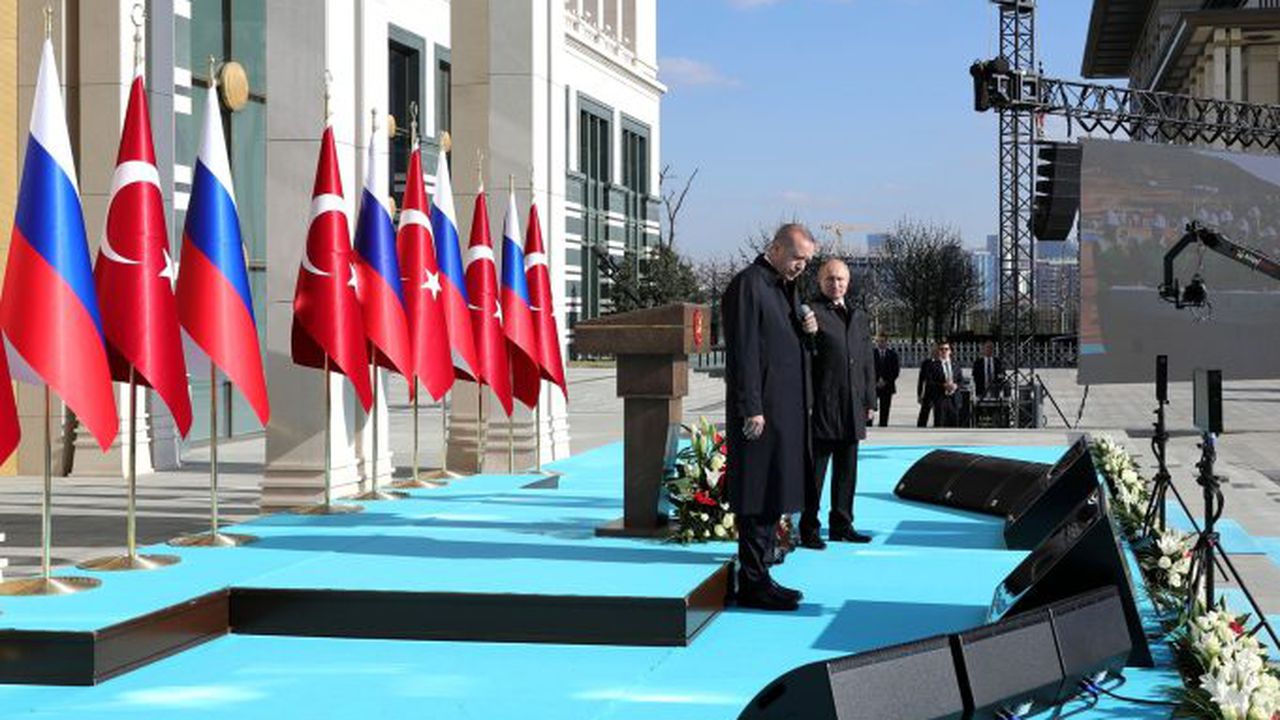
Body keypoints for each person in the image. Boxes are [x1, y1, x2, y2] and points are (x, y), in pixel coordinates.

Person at [722, 223, 816, 612]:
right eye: (797, 258)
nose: (801, 267)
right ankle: (753, 581)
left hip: (785, 410)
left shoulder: (782, 287)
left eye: (807, 261)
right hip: (762, 412)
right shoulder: (749, 285)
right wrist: (752, 407)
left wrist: (808, 331)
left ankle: (762, 574)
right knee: (757, 493)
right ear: (776, 248)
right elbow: (743, 350)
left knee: (773, 492)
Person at [801, 259, 875, 548]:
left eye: (841, 279)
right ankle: (808, 528)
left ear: (848, 282)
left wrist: (869, 399)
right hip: (823, 406)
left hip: (852, 407)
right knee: (815, 473)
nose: (836, 284)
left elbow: (866, 360)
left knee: (847, 471)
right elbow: (805, 354)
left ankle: (842, 525)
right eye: (831, 279)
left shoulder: (858, 315)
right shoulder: (811, 313)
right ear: (820, 281)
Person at [921, 341, 964, 427]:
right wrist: (943, 385)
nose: (944, 351)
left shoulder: (956, 365)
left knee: (954, 425)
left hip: (954, 400)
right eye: (941, 349)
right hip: (940, 400)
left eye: (946, 349)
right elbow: (930, 382)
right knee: (940, 425)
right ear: (938, 351)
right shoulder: (933, 366)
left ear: (950, 351)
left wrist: (956, 386)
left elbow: (961, 380)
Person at [872, 334, 899, 427]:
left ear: (886, 342)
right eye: (879, 341)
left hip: (887, 386)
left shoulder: (892, 354)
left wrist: (885, 381)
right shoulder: (871, 353)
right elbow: (867, 369)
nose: (881, 343)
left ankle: (883, 424)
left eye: (883, 341)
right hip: (873, 386)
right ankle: (869, 423)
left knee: (885, 408)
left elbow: (895, 371)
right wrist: (875, 381)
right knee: (870, 406)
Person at [916, 346, 938, 428]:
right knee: (924, 414)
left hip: (939, 393)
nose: (935, 353)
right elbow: (921, 380)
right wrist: (919, 394)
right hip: (928, 393)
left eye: (936, 351)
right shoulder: (926, 363)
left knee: (938, 415)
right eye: (933, 351)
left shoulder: (942, 363)